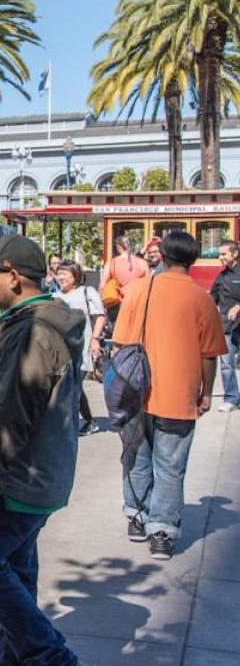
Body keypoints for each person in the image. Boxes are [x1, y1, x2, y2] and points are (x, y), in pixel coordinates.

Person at [0, 234, 84, 666]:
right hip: (34, 479)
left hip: (16, 483)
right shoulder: (36, 323)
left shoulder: (33, 331)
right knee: (16, 571)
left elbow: (9, 421)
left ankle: (47, 654)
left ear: (13, 276)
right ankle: (14, 658)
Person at [114, 231, 225, 560]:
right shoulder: (202, 299)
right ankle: (161, 531)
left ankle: (136, 515)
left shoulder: (139, 291)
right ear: (192, 260)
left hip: (136, 391)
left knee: (136, 456)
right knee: (171, 466)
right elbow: (209, 355)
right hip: (180, 395)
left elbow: (120, 343)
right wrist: (206, 393)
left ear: (161, 256)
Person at [55, 260, 105, 435]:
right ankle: (90, 421)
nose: (61, 277)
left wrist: (95, 339)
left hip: (82, 348)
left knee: (73, 387)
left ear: (75, 275)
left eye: (65, 273)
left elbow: (100, 316)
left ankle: (67, 426)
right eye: (59, 273)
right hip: (62, 350)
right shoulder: (56, 296)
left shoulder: (86, 292)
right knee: (74, 386)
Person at [210, 239, 240, 413]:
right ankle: (231, 398)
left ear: (235, 254)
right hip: (227, 327)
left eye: (223, 254)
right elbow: (211, 299)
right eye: (219, 254)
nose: (219, 257)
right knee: (226, 364)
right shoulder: (221, 277)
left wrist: (238, 306)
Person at [99, 235, 148, 317]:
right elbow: (148, 285)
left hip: (117, 306)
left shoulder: (111, 263)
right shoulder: (142, 263)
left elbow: (102, 286)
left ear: (119, 247)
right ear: (131, 245)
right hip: (138, 305)